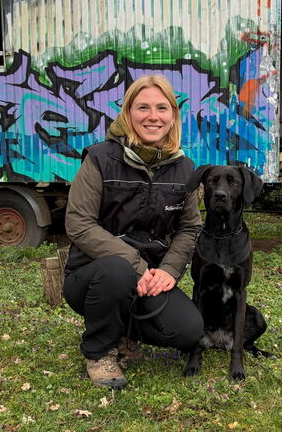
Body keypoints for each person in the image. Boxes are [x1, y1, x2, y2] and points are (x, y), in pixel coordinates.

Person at [62, 75, 204, 389]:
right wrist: (135, 264)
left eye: (162, 108)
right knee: (116, 271)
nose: (153, 116)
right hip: (93, 277)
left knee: (189, 330)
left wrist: (168, 270)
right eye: (143, 107)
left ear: (173, 116)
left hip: (149, 279)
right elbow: (79, 223)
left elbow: (190, 227)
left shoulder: (185, 168)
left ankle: (124, 331)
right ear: (128, 113)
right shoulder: (100, 158)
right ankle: (99, 352)